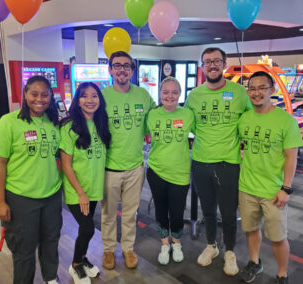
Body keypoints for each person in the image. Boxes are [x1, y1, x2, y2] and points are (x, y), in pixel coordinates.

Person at [0, 76, 62, 284]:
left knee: (51, 240)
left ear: (50, 97)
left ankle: (51, 278)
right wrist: (0, 202)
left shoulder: (54, 123)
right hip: (21, 198)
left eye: (45, 94)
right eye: (34, 94)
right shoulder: (9, 122)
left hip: (52, 195)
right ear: (25, 94)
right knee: (24, 248)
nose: (40, 99)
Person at [185, 47, 251, 276]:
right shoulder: (194, 96)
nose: (212, 65)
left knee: (228, 212)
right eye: (207, 62)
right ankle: (211, 245)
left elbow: (251, 119)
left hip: (229, 163)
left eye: (216, 61)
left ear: (224, 64)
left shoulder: (240, 92)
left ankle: (230, 251)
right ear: (203, 66)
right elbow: (187, 124)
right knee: (208, 210)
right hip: (201, 162)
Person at [238, 71, 303, 284]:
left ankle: (282, 274)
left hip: (274, 191)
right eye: (252, 88)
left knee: (277, 237)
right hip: (247, 187)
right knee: (251, 229)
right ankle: (255, 262)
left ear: (272, 90)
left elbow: (291, 157)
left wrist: (286, 188)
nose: (257, 93)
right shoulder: (245, 118)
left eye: (262, 88)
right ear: (248, 91)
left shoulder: (286, 121)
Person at [101, 51, 155, 270]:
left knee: (131, 212)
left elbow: (157, 117)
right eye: (117, 65)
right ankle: (108, 250)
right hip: (109, 167)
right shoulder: (101, 96)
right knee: (108, 213)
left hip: (135, 166)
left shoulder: (143, 95)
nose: (122, 69)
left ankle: (128, 248)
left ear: (132, 70)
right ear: (110, 69)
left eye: (126, 66)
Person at [60, 82, 111, 284]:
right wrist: (81, 193)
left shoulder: (101, 124)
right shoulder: (69, 126)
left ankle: (82, 259)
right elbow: (66, 166)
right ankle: (75, 265)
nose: (89, 100)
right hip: (77, 191)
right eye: (84, 96)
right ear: (77, 100)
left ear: (100, 99)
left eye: (94, 96)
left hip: (94, 188)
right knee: (88, 228)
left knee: (85, 229)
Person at [146, 76, 194, 265]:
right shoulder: (151, 115)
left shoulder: (188, 115)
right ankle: (165, 244)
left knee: (176, 212)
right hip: (156, 171)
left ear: (180, 94)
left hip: (180, 172)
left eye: (174, 92)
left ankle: (177, 243)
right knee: (161, 209)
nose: (170, 96)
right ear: (160, 93)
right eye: (165, 92)